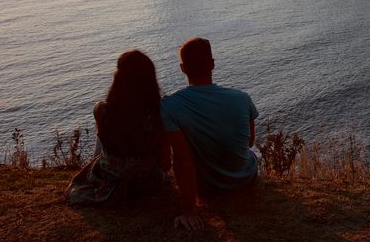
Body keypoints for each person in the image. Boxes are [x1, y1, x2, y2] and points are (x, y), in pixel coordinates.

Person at [161, 37, 259, 230]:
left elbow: (181, 159)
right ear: (212, 64)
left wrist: (188, 210)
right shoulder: (242, 98)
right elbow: (249, 142)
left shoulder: (169, 106)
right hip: (246, 178)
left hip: (208, 188)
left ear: (183, 68)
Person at [66, 50, 168, 206]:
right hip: (147, 185)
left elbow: (101, 148)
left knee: (104, 137)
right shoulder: (160, 112)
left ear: (118, 78)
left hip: (108, 183)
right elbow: (166, 163)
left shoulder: (102, 110)